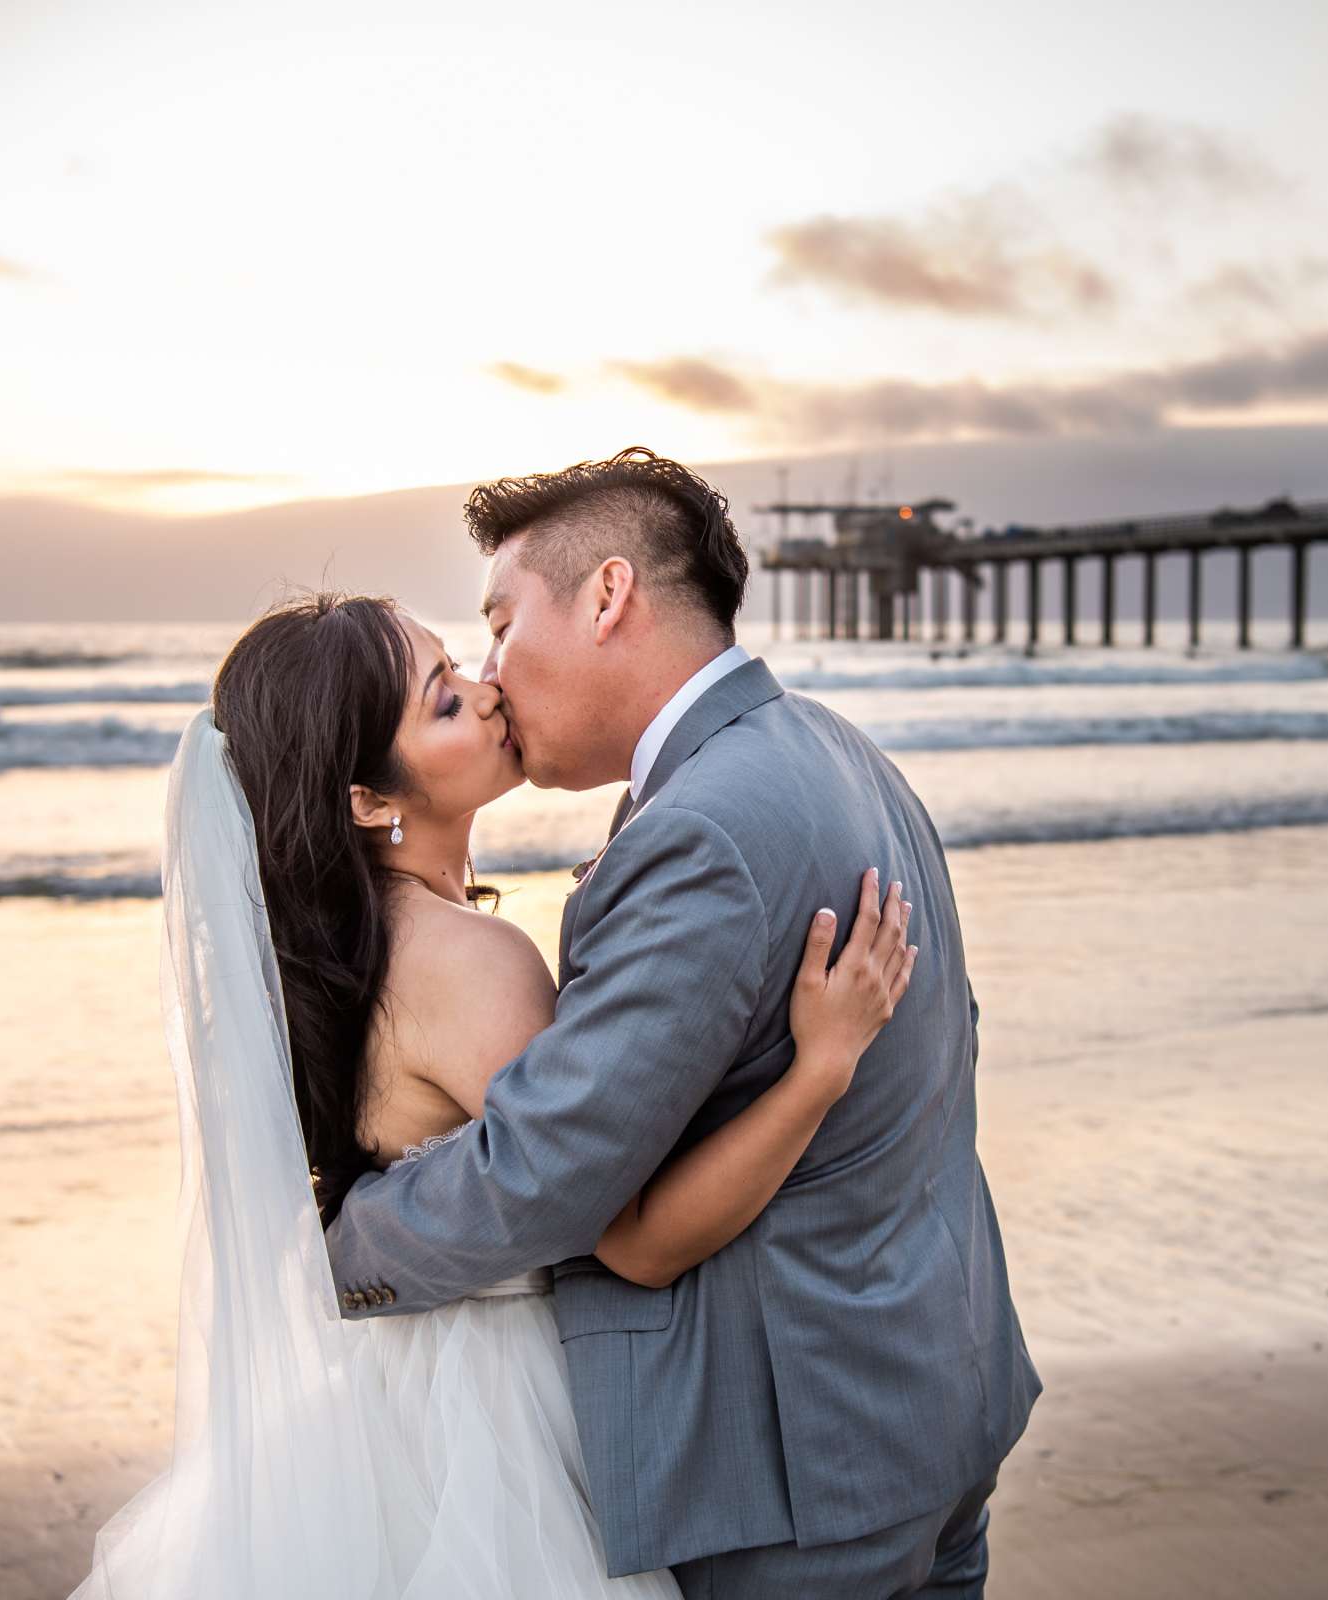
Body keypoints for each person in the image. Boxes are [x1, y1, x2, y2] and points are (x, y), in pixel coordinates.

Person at [71, 592, 915, 1598]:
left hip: (393, 1398)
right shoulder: (471, 961)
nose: (487, 694)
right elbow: (638, 1239)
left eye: (459, 667)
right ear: (367, 799)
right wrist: (822, 1067)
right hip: (498, 1418)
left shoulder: (344, 959)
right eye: (441, 703)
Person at [327, 449, 1039, 1598]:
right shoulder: (839, 750)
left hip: (801, 1474)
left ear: (608, 597)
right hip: (934, 1402)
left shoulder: (696, 832)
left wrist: (340, 1250)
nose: (495, 674)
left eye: (501, 626)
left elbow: (551, 1173)